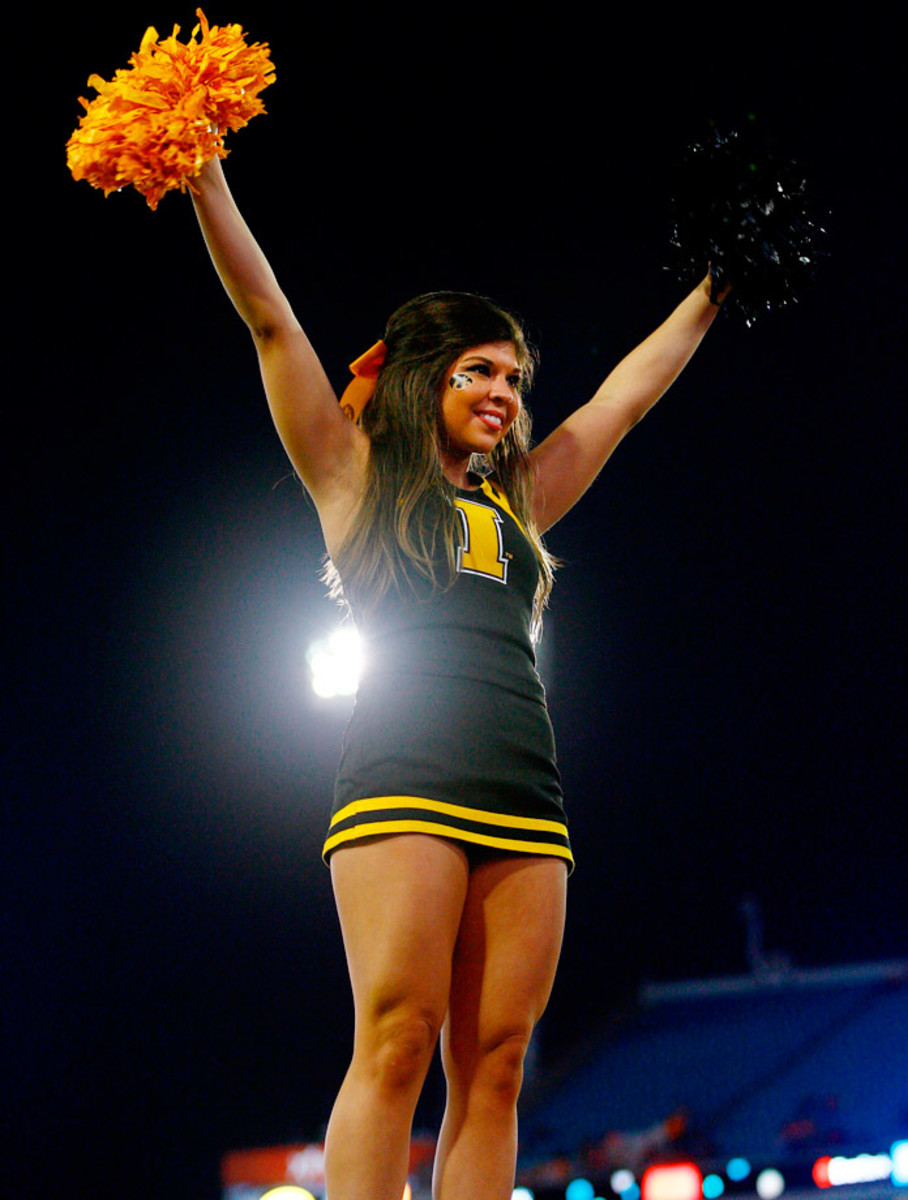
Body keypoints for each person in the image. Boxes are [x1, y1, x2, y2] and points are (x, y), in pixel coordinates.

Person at [190, 154, 725, 1200]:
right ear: (421, 377)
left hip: (526, 795)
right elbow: (268, 320)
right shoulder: (350, 481)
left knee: (495, 1066)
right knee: (397, 1036)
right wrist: (206, 177)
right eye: (476, 370)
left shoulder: (518, 502)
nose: (501, 393)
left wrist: (714, 290)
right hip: (402, 774)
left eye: (514, 377)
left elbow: (625, 397)